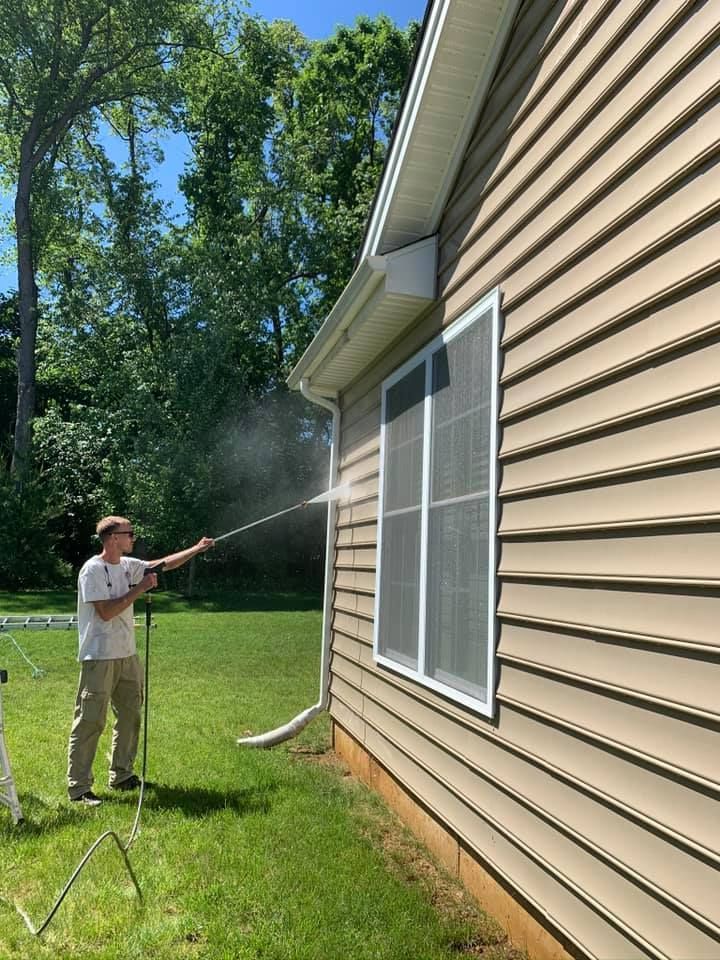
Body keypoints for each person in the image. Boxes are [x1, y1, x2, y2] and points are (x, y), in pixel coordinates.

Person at [67, 516, 214, 806]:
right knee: (90, 721)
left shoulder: (127, 565)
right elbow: (106, 612)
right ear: (112, 538)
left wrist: (196, 549)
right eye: (128, 533)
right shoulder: (92, 570)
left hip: (127, 656)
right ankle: (79, 788)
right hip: (99, 656)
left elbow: (164, 564)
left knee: (131, 716)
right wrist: (140, 589)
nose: (133, 537)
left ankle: (122, 775)